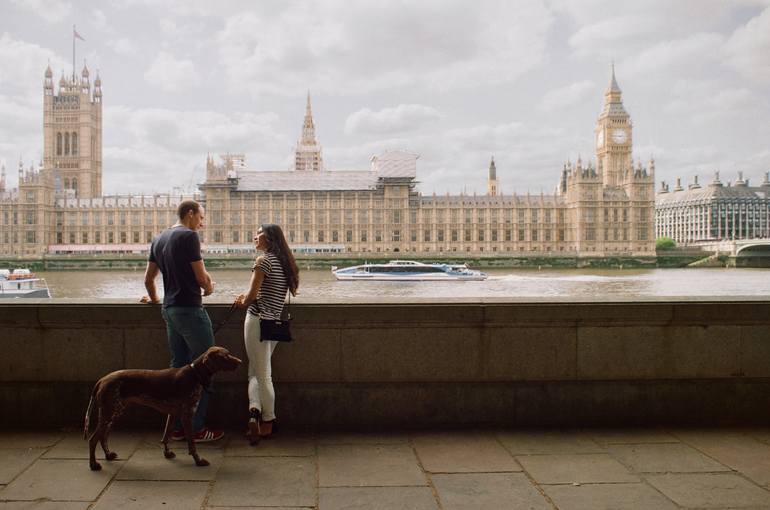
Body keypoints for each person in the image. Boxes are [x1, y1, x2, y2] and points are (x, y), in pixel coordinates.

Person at [141, 199, 224, 443]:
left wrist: (156, 300)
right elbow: (201, 279)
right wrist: (209, 286)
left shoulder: (159, 238)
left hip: (170, 310)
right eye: (201, 217)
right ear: (190, 214)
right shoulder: (189, 237)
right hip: (189, 309)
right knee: (206, 369)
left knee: (178, 372)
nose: (202, 222)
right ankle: (195, 429)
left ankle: (177, 427)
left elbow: (148, 279)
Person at [234, 224, 299, 441]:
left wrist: (241, 301)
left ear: (269, 238)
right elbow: (268, 291)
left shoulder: (263, 261)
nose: (255, 236)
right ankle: (254, 412)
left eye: (259, 232)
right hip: (273, 324)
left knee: (262, 375)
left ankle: (268, 421)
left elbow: (252, 295)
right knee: (256, 371)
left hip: (257, 321)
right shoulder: (284, 262)